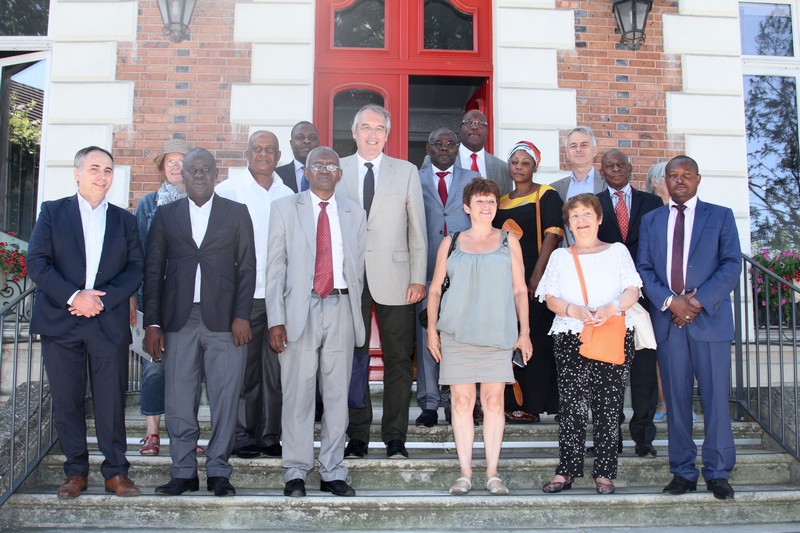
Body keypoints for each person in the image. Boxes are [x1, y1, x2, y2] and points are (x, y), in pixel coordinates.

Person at [27, 146, 143, 498]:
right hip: (60, 321)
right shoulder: (52, 213)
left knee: (111, 399)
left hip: (106, 322)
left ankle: (115, 472)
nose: (102, 176)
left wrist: (100, 301)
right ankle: (75, 471)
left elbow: (136, 269)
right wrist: (75, 296)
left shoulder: (126, 220)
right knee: (67, 399)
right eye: (94, 168)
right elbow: (37, 262)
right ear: (77, 173)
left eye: (108, 170)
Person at [144, 148, 256, 497]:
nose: (199, 175)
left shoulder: (236, 213)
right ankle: (183, 472)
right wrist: (153, 323)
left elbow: (248, 268)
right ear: (183, 175)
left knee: (225, 398)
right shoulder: (166, 215)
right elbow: (152, 270)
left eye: (205, 169)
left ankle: (219, 471)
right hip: (178, 321)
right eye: (192, 169)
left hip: (224, 321)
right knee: (179, 399)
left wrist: (242, 315)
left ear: (215, 172)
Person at [637, 155, 741, 500]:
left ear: (698, 178)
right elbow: (645, 268)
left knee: (714, 400)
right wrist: (671, 302)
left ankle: (718, 471)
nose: (679, 180)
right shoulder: (651, 220)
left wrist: (694, 302)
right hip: (669, 322)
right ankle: (682, 471)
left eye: (685, 175)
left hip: (708, 320)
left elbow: (730, 264)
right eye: (672, 176)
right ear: (665, 181)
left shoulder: (720, 216)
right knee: (677, 402)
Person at [266, 146, 367, 498]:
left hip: (340, 305)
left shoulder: (355, 211)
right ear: (305, 172)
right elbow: (275, 268)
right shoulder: (283, 208)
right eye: (317, 165)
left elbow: (358, 269)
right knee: (298, 394)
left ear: (340, 174)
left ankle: (332, 470)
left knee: (338, 395)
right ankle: (295, 470)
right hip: (299, 309)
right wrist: (275, 319)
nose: (325, 170)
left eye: (331, 165)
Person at [427, 177, 532, 496]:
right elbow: (434, 290)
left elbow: (519, 289)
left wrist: (525, 331)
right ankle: (464, 473)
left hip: (497, 332)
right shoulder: (452, 242)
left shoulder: (508, 240)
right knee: (461, 401)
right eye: (480, 201)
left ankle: (492, 472)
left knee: (493, 401)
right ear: (467, 206)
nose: (486, 206)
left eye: (491, 201)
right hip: (457, 333)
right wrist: (432, 330)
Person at [337, 104, 427, 460]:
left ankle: (395, 437)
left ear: (387, 135)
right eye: (365, 127)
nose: (372, 134)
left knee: (399, 361)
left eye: (379, 128)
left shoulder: (404, 172)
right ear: (354, 131)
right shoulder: (337, 170)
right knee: (353, 359)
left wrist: (419, 277)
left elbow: (416, 229)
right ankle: (357, 435)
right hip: (349, 280)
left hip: (398, 279)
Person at [536, 193, 641, 495]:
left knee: (609, 407)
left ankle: (604, 473)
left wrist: (612, 308)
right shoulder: (560, 256)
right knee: (571, 407)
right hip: (571, 335)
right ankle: (567, 469)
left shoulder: (617, 251)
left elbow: (633, 289)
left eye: (586, 214)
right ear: (568, 223)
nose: (581, 221)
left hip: (612, 332)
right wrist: (576, 311)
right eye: (574, 216)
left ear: (599, 218)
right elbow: (551, 297)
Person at [216, 130, 294, 459]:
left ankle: (269, 435)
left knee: (276, 373)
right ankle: (242, 435)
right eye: (257, 149)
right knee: (243, 371)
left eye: (270, 150)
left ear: (279, 156)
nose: (263, 154)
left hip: (278, 298)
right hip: (242, 299)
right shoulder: (227, 191)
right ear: (246, 154)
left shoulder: (288, 193)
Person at [595, 149, 664, 458]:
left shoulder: (652, 203)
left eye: (620, 164)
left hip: (646, 298)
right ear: (602, 172)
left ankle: (644, 437)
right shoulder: (594, 205)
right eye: (609, 165)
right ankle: (610, 437)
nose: (615, 169)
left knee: (644, 371)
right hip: (606, 298)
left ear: (630, 168)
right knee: (608, 371)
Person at [492, 141, 563, 424]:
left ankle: (533, 404)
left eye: (525, 162)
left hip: (536, 279)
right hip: (507, 280)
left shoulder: (546, 194)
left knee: (535, 340)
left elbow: (553, 234)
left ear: (535, 166)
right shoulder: (501, 201)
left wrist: (536, 276)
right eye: (514, 162)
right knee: (511, 340)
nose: (519, 167)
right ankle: (512, 403)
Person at [131, 139, 192, 457]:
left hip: (192, 297)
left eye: (182, 160)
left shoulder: (202, 201)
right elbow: (138, 254)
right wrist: (134, 296)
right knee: (155, 365)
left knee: (188, 367)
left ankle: (186, 435)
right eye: (170, 161)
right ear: (162, 167)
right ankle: (152, 434)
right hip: (153, 295)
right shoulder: (147, 205)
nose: (176, 166)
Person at [415, 127, 478, 428]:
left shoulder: (472, 180)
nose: (444, 148)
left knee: (462, 338)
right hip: (425, 271)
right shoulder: (414, 179)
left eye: (449, 144)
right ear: (428, 148)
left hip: (463, 270)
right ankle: (429, 402)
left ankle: (461, 401)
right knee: (428, 334)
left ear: (457, 149)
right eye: (437, 144)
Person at [421, 109, 512, 197]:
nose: (474, 127)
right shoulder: (432, 160)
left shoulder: (503, 169)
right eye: (469, 123)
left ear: (487, 131)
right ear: (460, 130)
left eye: (480, 124)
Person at [644, 160, 672, 423]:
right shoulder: (649, 216)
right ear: (655, 181)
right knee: (660, 351)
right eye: (669, 176)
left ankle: (684, 404)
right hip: (657, 293)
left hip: (689, 296)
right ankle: (663, 402)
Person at [551, 127, 607, 245]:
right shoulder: (555, 189)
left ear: (595, 150)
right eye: (573, 146)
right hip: (568, 258)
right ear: (567, 153)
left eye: (584, 145)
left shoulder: (607, 185)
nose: (578, 150)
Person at [275, 121, 321, 193]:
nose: (306, 141)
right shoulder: (276, 175)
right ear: (291, 144)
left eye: (312, 138)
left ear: (318, 144)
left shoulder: (327, 173)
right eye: (300, 137)